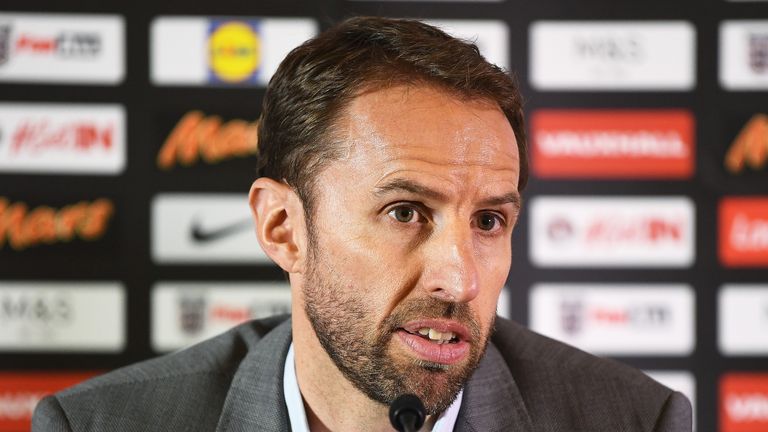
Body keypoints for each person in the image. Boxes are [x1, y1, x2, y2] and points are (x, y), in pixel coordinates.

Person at [32, 16, 692, 432]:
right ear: (284, 228)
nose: (459, 277)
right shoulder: (101, 423)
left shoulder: (635, 420)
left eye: (489, 220)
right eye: (405, 212)